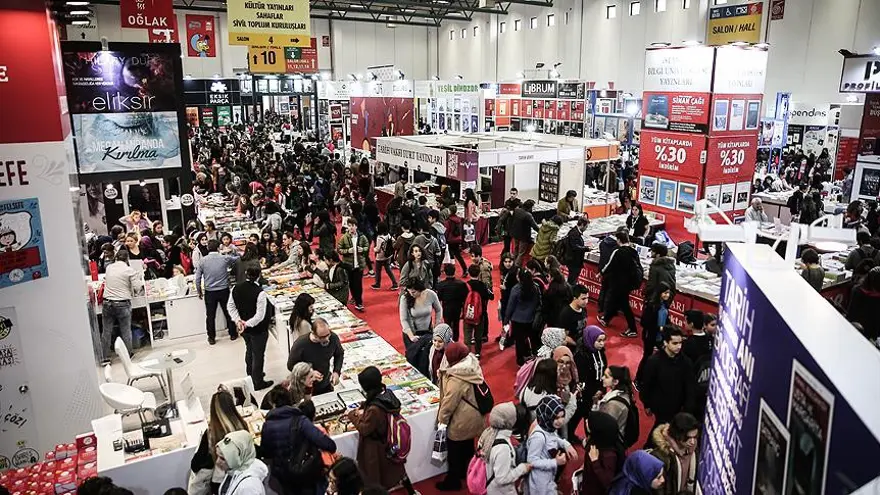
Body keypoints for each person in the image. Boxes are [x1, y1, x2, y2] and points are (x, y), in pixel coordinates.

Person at [348, 367, 418, 495]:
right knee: (398, 471)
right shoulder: (386, 393)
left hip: (375, 449)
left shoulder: (374, 410)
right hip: (388, 442)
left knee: (374, 479)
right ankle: (411, 492)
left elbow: (364, 429)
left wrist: (352, 415)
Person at [261, 396, 337, 495]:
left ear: (273, 405)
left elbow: (266, 453)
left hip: (284, 478)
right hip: (306, 474)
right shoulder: (301, 421)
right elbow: (328, 444)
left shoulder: (267, 425)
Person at [435, 343, 486, 491]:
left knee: (454, 451)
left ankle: (453, 481)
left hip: (461, 420)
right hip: (475, 416)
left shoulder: (457, 378)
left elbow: (449, 403)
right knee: (467, 446)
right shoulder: (472, 366)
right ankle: (467, 471)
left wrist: (441, 421)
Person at [189, 390, 250, 495]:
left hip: (220, 482)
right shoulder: (242, 425)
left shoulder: (212, 433)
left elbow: (196, 464)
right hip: (241, 477)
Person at [640, 326, 696, 436]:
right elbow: (647, 384)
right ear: (665, 342)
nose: (679, 346)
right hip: (661, 407)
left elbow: (690, 387)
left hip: (679, 407)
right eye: (675, 343)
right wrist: (647, 404)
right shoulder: (654, 361)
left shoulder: (686, 362)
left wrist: (688, 409)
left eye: (680, 343)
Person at [227, 266, 273, 390]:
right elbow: (260, 316)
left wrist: (238, 321)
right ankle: (258, 382)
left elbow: (231, 306)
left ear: (246, 274)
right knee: (258, 354)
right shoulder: (260, 293)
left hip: (244, 329)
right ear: (259, 276)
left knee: (249, 350)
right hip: (258, 329)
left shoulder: (236, 288)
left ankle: (251, 375)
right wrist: (246, 323)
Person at [525, 395, 578, 495]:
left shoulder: (548, 428)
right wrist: (555, 462)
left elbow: (553, 438)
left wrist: (566, 444)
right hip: (539, 481)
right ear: (547, 416)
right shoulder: (538, 437)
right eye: (556, 417)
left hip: (548, 475)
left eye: (562, 416)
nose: (561, 421)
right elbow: (531, 461)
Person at [478, 402, 531, 495]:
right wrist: (522, 468)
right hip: (502, 491)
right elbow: (502, 478)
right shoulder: (503, 448)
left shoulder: (489, 434)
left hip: (492, 488)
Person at [195, 239, 240, 345]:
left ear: (208, 248)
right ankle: (233, 334)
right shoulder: (224, 258)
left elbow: (197, 278)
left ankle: (211, 337)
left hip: (210, 291)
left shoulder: (202, 261)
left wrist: (199, 291)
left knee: (210, 316)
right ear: (218, 248)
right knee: (228, 313)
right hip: (224, 289)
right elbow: (237, 258)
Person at [101, 250, 142, 363]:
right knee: (125, 330)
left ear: (116, 258)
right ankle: (128, 355)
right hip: (122, 303)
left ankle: (105, 358)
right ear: (127, 259)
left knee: (106, 331)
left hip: (107, 302)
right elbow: (138, 288)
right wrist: (138, 275)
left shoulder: (109, 268)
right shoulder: (129, 270)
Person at [599, 232, 642, 337]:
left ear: (618, 240)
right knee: (617, 301)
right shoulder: (634, 252)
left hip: (618, 282)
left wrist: (601, 273)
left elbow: (609, 265)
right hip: (629, 283)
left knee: (624, 305)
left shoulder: (618, 252)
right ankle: (606, 318)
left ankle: (633, 329)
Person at [287, 318, 344, 395]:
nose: (327, 339)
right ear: (313, 334)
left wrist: (336, 372)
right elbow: (291, 365)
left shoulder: (333, 338)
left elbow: (339, 354)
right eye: (322, 337)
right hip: (305, 387)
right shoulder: (301, 344)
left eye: (328, 335)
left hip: (325, 384)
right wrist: (310, 372)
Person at [649, 413, 699, 495]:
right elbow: (657, 488)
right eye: (687, 438)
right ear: (677, 434)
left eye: (695, 437)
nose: (692, 442)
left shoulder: (694, 450)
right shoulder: (660, 456)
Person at [581, 411, 626, 495]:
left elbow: (608, 482)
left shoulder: (609, 455)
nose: (586, 421)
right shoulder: (597, 439)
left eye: (590, 423)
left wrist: (595, 462)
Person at [681, 310, 713, 422]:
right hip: (707, 384)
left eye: (685, 321)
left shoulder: (688, 344)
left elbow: (684, 367)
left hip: (692, 386)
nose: (684, 323)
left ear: (691, 324)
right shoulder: (711, 339)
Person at [504, 268, 541, 365]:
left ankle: (520, 360)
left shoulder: (516, 289)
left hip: (517, 320)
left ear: (519, 278)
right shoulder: (535, 287)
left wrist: (506, 319)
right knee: (533, 339)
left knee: (519, 341)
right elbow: (538, 302)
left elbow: (510, 305)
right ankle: (535, 358)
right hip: (531, 318)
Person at [215, 431, 268, 495]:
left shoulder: (249, 486)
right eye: (217, 456)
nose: (217, 462)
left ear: (238, 457)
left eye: (223, 459)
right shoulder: (233, 471)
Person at [596, 365, 636, 444]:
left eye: (606, 377)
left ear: (615, 382)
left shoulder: (614, 405)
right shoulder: (622, 392)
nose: (602, 378)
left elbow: (604, 426)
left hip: (609, 441)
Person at [337, 217, 369, 312]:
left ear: (356, 226)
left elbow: (367, 246)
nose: (351, 227)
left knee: (358, 284)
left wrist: (362, 249)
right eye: (349, 225)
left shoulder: (362, 237)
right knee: (351, 283)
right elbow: (339, 249)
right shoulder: (344, 237)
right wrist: (347, 251)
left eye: (353, 225)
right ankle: (355, 297)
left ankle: (359, 302)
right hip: (348, 265)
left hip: (359, 265)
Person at [399, 278, 443, 345]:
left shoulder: (431, 294)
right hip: (412, 333)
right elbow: (404, 319)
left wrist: (437, 324)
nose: (411, 294)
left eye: (413, 292)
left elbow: (439, 310)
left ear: (420, 290)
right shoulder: (405, 298)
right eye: (409, 291)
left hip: (428, 331)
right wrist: (411, 336)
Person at [464, 264, 494, 356]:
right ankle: (477, 353)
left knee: (467, 334)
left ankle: (468, 353)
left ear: (469, 273)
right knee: (478, 335)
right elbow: (491, 296)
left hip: (468, 314)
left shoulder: (465, 285)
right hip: (480, 314)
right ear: (479, 273)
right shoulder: (482, 285)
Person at [436, 264, 469, 341]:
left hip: (446, 307)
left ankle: (448, 340)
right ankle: (455, 339)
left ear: (445, 272)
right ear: (454, 271)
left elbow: (439, 298)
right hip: (458, 307)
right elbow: (465, 297)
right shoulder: (461, 284)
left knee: (447, 324)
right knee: (456, 324)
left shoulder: (441, 285)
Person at [847, 266, 880, 343]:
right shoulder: (858, 291)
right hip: (862, 330)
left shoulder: (857, 290)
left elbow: (851, 313)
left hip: (864, 329)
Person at [510, 199, 540, 266]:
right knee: (521, 253)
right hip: (523, 236)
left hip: (515, 233)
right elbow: (535, 226)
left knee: (516, 250)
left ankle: (512, 263)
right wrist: (541, 231)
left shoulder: (517, 210)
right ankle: (516, 266)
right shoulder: (528, 215)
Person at [371, 222, 398, 290]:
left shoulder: (379, 238)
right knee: (388, 270)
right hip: (388, 255)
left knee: (378, 271)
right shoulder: (388, 235)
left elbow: (377, 249)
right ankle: (395, 283)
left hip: (380, 257)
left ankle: (377, 284)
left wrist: (373, 249)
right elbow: (394, 241)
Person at [564, 217, 590, 285]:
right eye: (586, 227)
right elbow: (575, 247)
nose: (586, 228)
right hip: (574, 261)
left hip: (575, 261)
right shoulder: (574, 233)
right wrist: (586, 249)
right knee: (572, 280)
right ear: (582, 225)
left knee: (572, 279)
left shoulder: (575, 232)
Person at [444, 204, 468, 275]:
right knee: (458, 255)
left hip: (450, 240)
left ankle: (451, 271)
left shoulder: (448, 221)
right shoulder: (459, 220)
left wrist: (445, 239)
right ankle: (465, 269)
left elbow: (446, 231)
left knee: (450, 256)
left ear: (450, 211)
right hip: (458, 239)